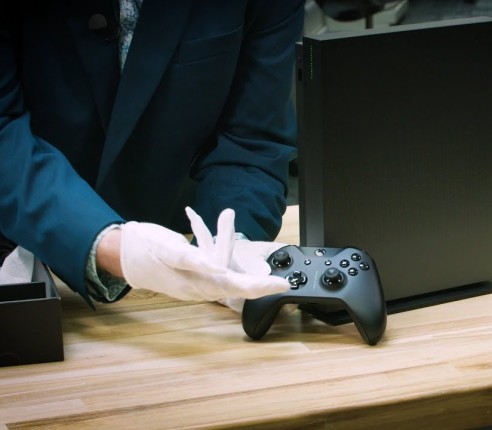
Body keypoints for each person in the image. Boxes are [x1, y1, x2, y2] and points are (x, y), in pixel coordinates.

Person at [0, 0, 305, 309]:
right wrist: (111, 246)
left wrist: (231, 245)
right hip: (28, 241)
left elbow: (252, 136)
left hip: (184, 238)